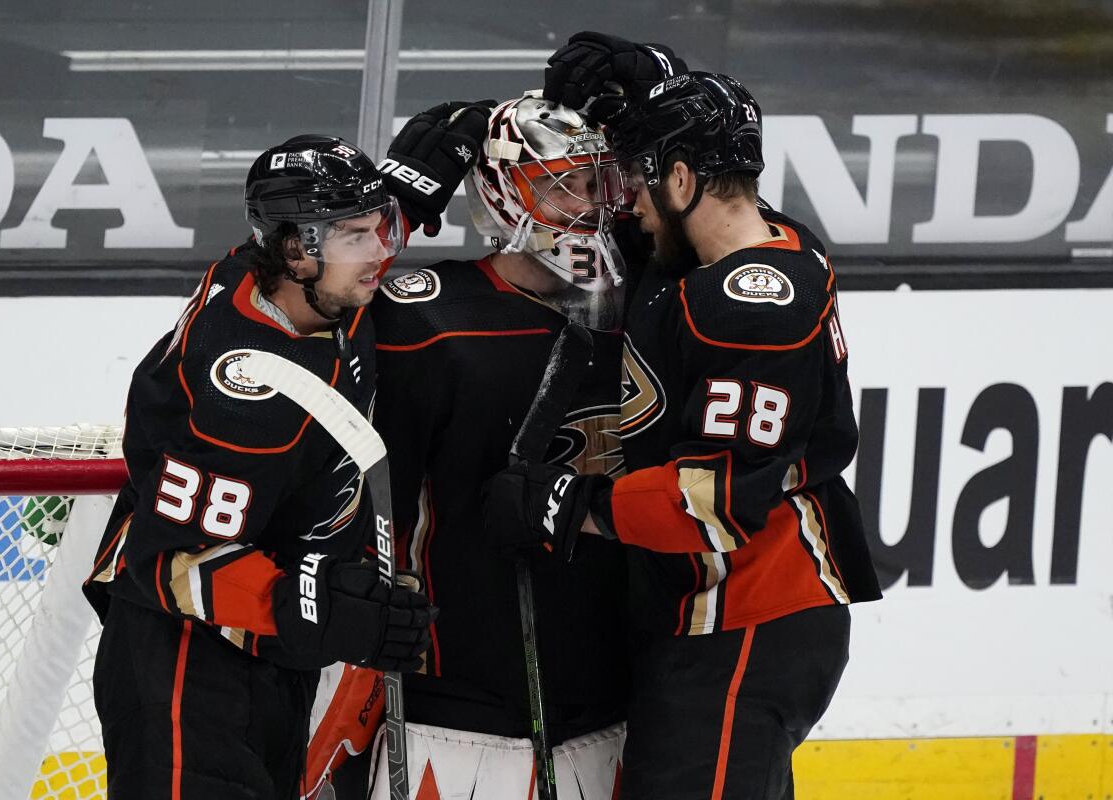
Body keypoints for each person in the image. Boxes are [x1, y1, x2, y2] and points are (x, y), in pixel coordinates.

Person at [485, 34, 883, 800]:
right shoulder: (738, 252)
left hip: (748, 616)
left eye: (640, 179)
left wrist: (569, 507)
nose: (626, 203)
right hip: (714, 617)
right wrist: (655, 84)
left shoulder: (752, 303)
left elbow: (718, 498)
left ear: (681, 177)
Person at [82, 102, 490, 800]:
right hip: (187, 668)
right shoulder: (242, 396)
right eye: (359, 236)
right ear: (297, 251)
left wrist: (407, 188)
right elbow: (167, 562)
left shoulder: (299, 283)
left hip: (272, 658)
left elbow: (335, 231)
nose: (383, 253)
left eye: (382, 227)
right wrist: (312, 606)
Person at [302, 90, 641, 800]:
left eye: (598, 183)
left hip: (610, 698)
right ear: (498, 194)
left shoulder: (647, 308)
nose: (588, 207)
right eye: (559, 185)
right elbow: (281, 321)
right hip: (455, 709)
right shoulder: (419, 319)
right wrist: (386, 208)